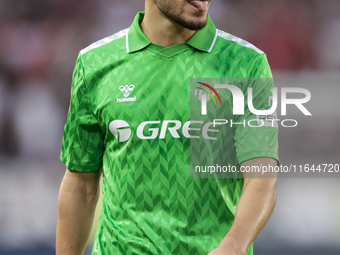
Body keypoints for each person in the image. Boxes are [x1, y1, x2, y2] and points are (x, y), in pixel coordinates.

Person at [56, 0, 279, 254]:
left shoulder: (246, 63)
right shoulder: (94, 63)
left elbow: (262, 177)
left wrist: (233, 246)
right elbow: (80, 184)